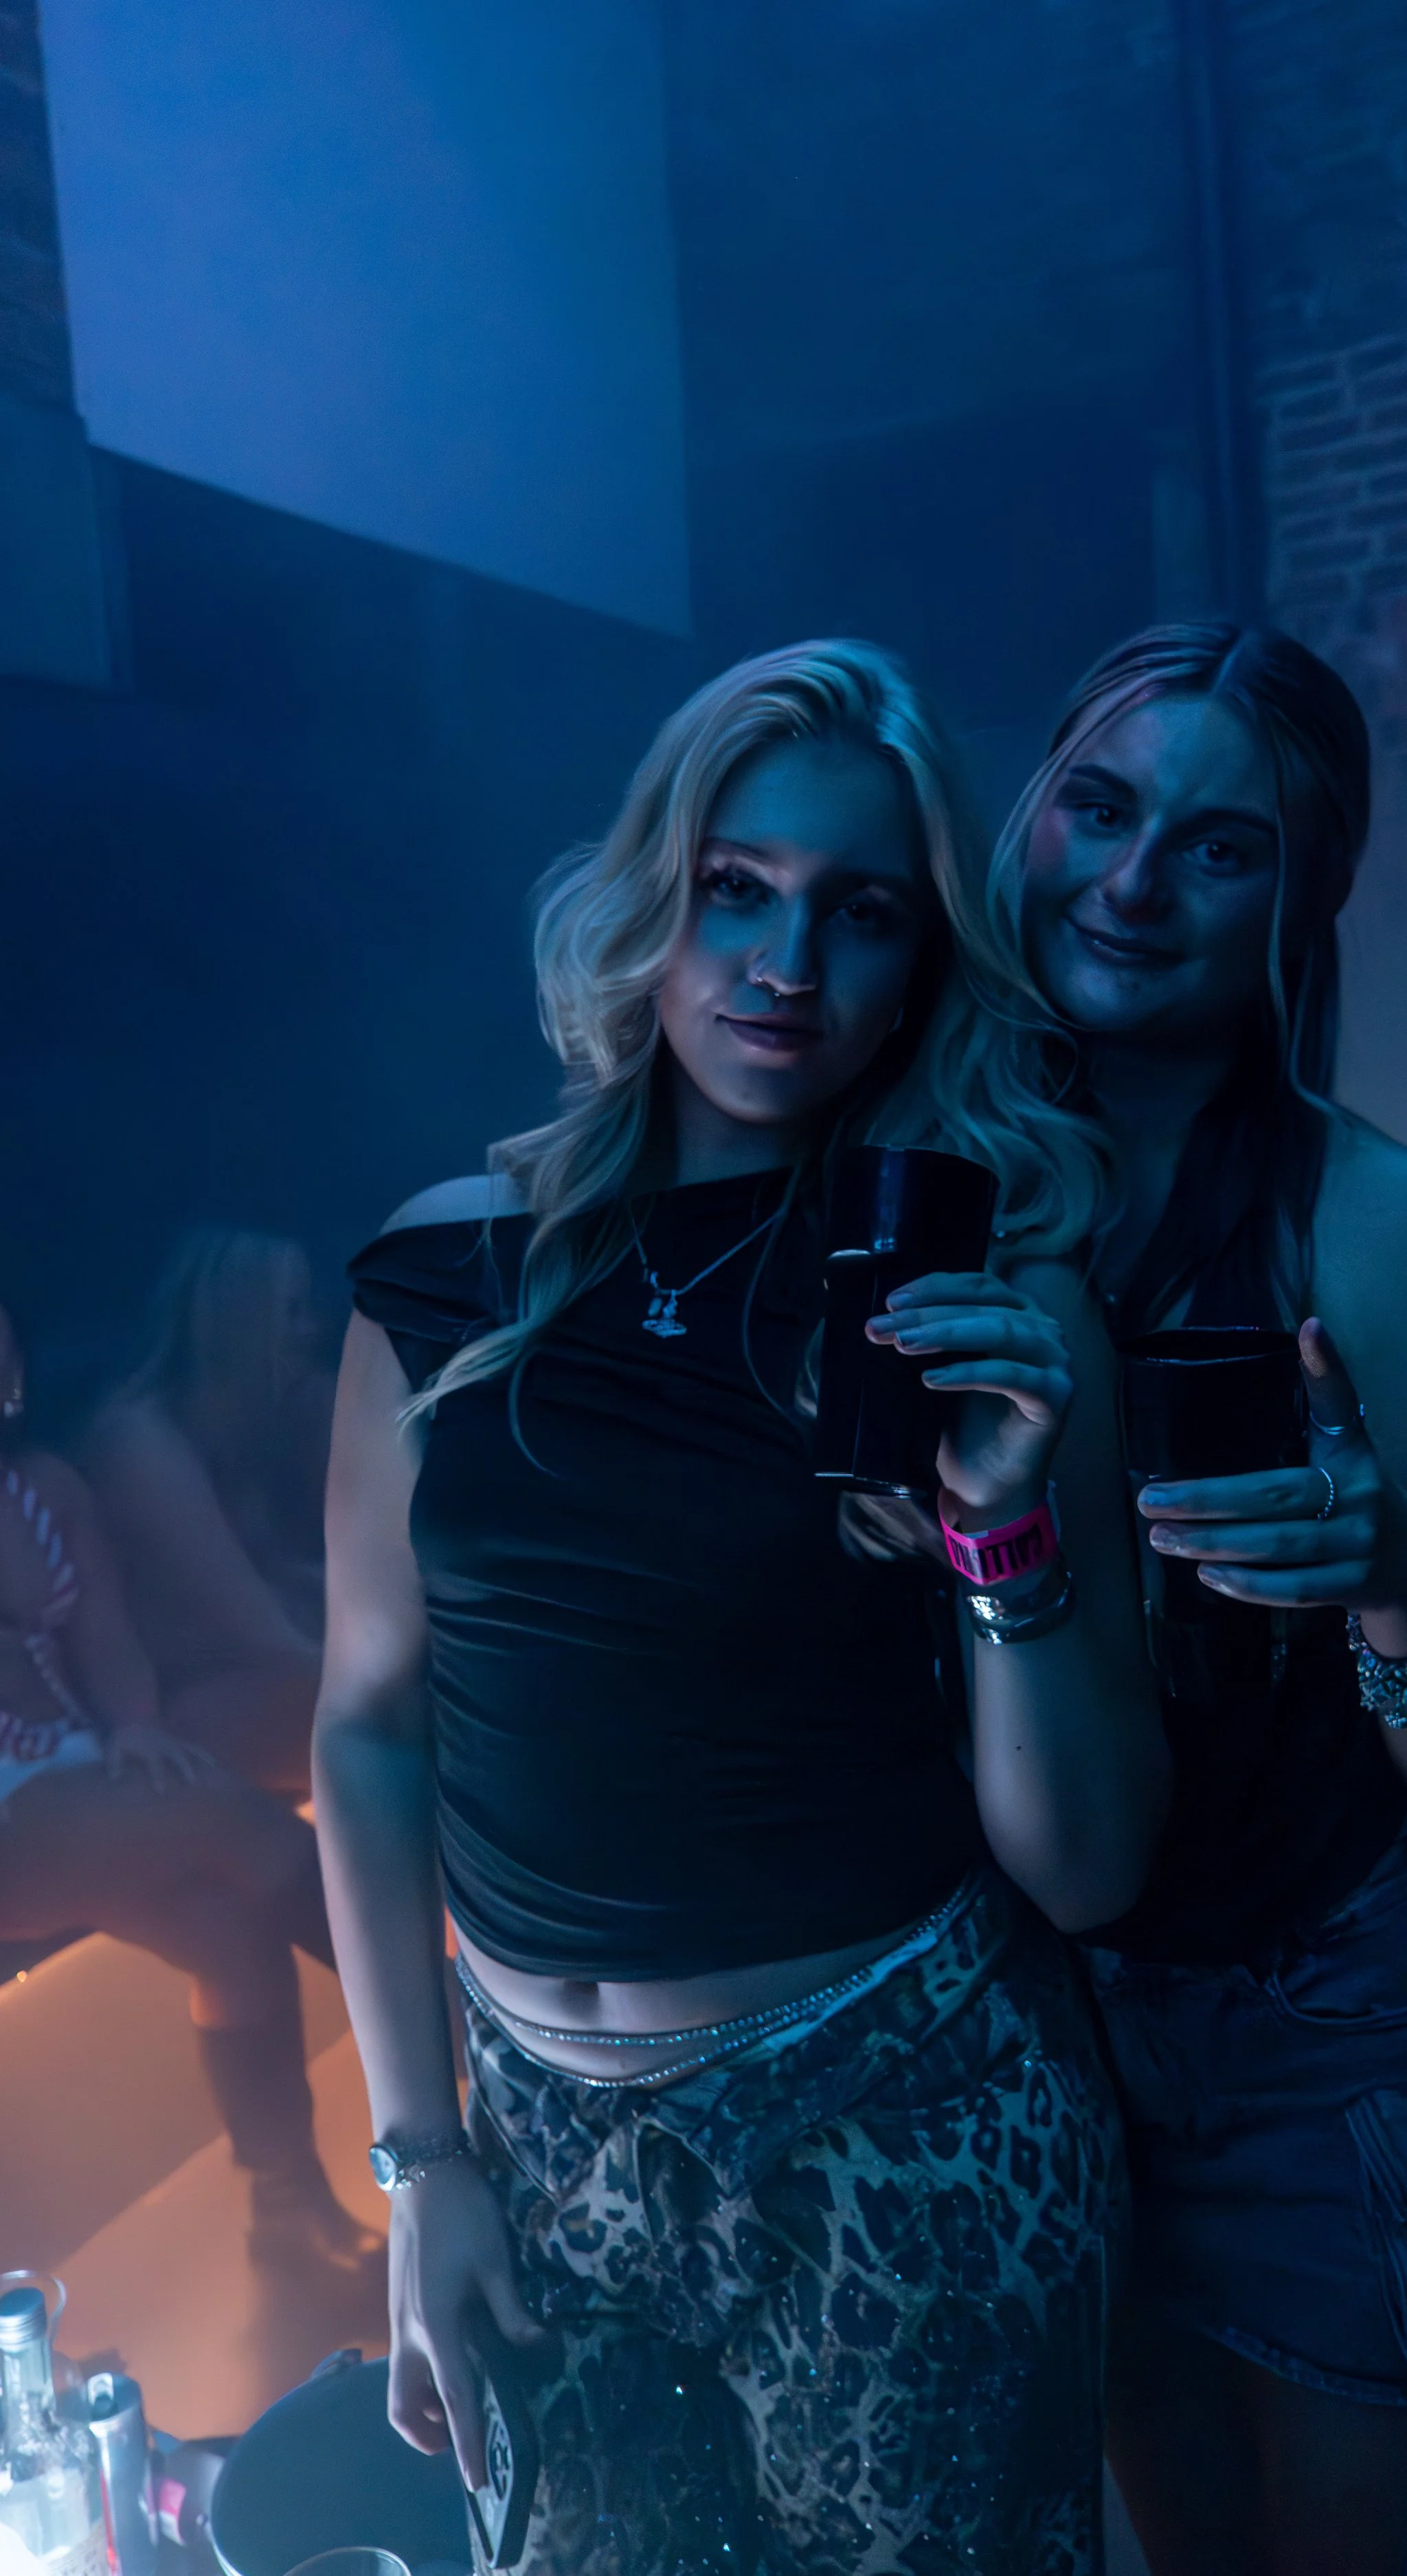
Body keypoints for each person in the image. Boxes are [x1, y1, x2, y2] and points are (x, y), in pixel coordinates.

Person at [314, 640, 1164, 2574]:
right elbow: (368, 1720)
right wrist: (418, 2159)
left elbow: (1093, 1863)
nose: (789, 960)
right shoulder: (449, 1269)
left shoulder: (985, 1309)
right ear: (655, 896)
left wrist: (1002, 1533)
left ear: (919, 965)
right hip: (529, 2154)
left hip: (902, 2121)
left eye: (860, 914)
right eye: (739, 887)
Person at [989, 624, 1407, 2576]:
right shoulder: (933, 1184)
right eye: (1099, 806)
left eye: (1217, 847)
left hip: (1347, 2045)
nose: (1134, 882)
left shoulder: (1383, 1223)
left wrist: (1393, 1572)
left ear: (1298, 900)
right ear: (1031, 813)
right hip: (1064, 2035)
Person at [0, 1298, 373, 2269]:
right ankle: (470, 2053)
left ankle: (286, 2213)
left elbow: (110, 1640)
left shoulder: (44, 1485)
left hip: (75, 1757)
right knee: (225, 1816)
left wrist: (133, 1726)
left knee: (226, 1928)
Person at [84, 1228, 330, 1796]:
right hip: (164, 1725)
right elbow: (262, 1635)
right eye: (291, 1312)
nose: (312, 1332)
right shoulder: (138, 1444)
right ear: (238, 1319)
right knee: (409, 1718)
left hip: (252, 1689)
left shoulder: (249, 1437)